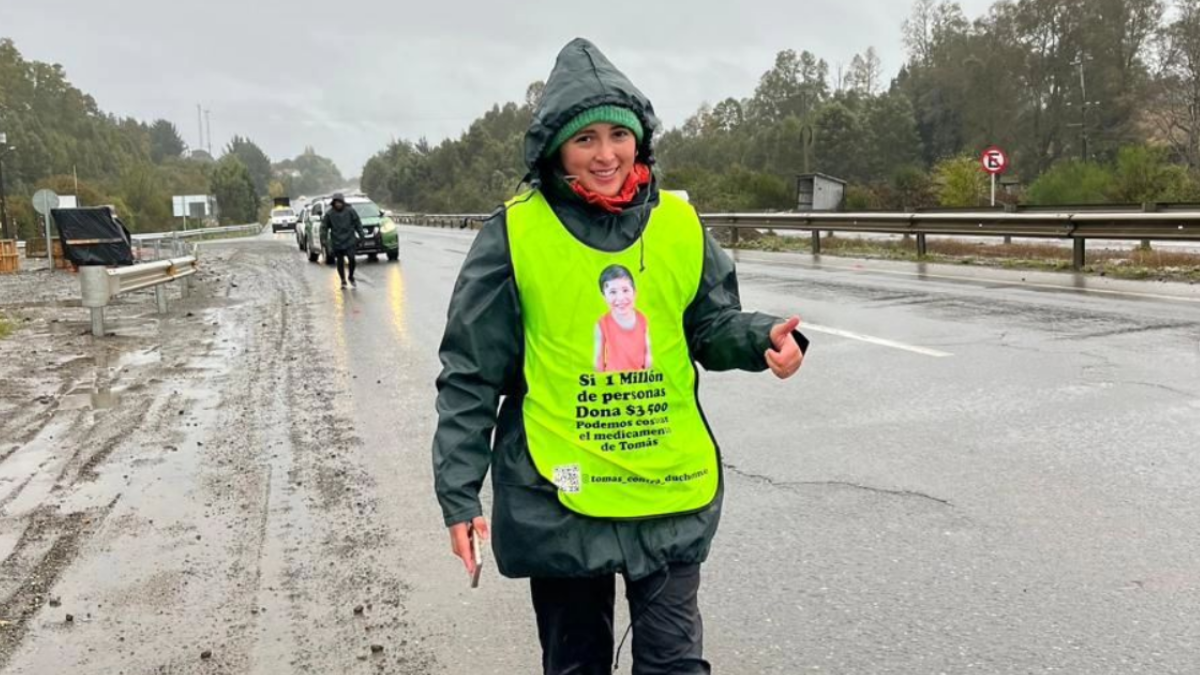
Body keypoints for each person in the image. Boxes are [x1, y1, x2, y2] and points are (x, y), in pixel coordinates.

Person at [432, 38, 807, 675]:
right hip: (560, 496)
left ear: (640, 140)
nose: (605, 154)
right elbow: (470, 375)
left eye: (618, 135)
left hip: (666, 488)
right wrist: (458, 495)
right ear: (556, 148)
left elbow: (707, 323)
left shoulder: (679, 225)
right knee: (577, 665)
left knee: (674, 663)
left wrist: (762, 337)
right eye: (585, 140)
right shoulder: (515, 234)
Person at [595, 264, 651, 373]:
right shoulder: (603, 323)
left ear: (634, 292)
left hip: (640, 382)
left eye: (625, 290)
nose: (620, 298)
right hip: (612, 383)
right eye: (612, 292)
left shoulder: (643, 320)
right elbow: (598, 359)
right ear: (604, 296)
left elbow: (649, 354)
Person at [320, 193, 364, 288]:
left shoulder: (350, 211)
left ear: (343, 202)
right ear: (333, 203)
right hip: (337, 241)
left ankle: (351, 276)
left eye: (340, 202)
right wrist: (323, 239)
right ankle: (343, 280)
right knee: (340, 261)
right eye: (336, 202)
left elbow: (357, 223)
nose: (338, 204)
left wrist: (361, 235)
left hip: (350, 240)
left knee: (352, 259)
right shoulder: (329, 214)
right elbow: (324, 227)